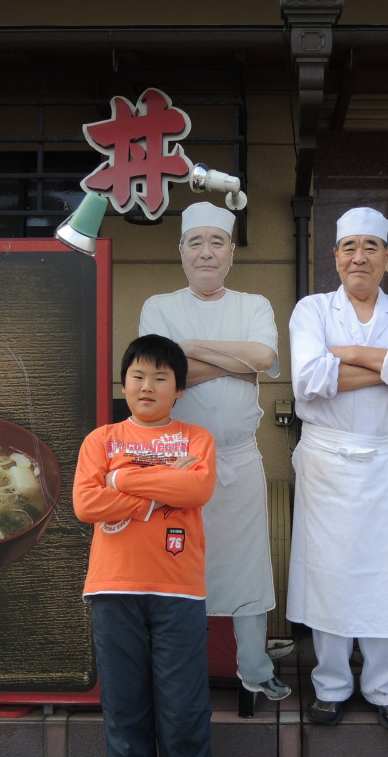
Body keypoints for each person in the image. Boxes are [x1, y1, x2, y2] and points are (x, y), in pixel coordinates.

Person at [286, 206, 388, 732]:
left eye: (370, 247)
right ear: (335, 256)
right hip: (327, 461)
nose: (359, 257)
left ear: (387, 257)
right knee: (328, 573)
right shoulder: (312, 310)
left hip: (386, 460)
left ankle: (386, 687)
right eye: (349, 247)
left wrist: (350, 354)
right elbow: (309, 380)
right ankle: (330, 685)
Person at [139, 201, 290, 701]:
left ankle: (254, 666)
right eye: (196, 242)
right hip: (177, 460)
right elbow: (162, 376)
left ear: (231, 252)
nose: (206, 252)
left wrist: (190, 347)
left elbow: (264, 356)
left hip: (240, 457)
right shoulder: (159, 305)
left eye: (217, 242)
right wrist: (233, 361)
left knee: (249, 561)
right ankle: (176, 670)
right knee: (176, 561)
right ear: (181, 251)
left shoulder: (254, 304)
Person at [73, 334, 217, 757]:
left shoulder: (195, 438)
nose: (147, 386)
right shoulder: (100, 440)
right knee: (125, 713)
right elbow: (86, 504)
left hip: (179, 591)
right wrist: (158, 493)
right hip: (114, 588)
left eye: (160, 378)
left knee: (184, 714)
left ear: (179, 389)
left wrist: (119, 479)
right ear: (124, 384)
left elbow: (197, 489)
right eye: (138, 376)